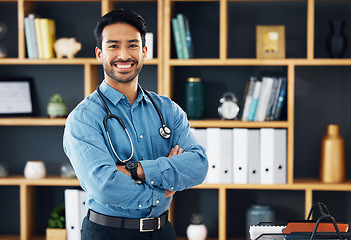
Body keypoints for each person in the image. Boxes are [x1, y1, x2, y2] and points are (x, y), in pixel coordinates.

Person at [63, 8, 208, 240]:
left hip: (163, 232)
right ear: (99, 54)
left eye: (132, 45)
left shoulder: (167, 109)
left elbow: (198, 165)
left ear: (144, 51)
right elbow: (104, 186)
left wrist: (135, 170)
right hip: (107, 233)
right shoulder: (84, 118)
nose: (124, 55)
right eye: (113, 46)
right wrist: (163, 188)